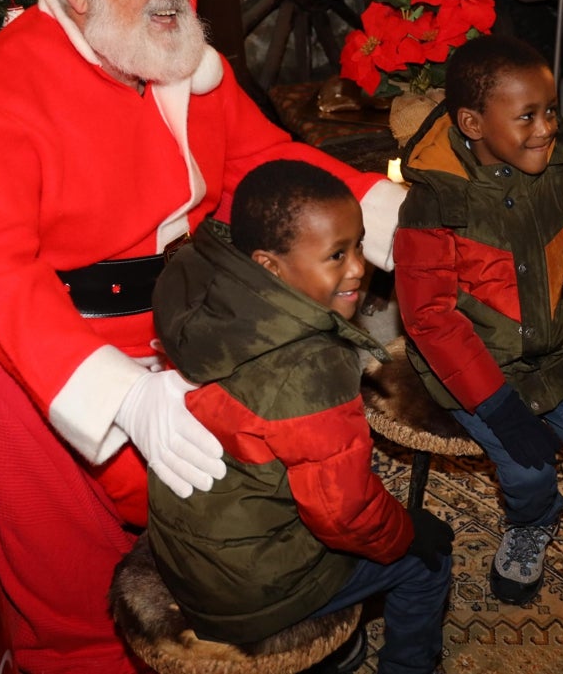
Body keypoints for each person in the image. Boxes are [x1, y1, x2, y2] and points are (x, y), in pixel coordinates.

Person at [0, 0, 408, 674]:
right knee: (77, 553)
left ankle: (268, 614)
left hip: (189, 307)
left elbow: (260, 162)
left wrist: (377, 209)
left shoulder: (179, 60)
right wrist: (119, 393)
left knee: (270, 470)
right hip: (52, 343)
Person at [392, 34, 563, 664]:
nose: (547, 127)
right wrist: (497, 407)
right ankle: (532, 522)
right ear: (472, 123)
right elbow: (430, 319)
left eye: (550, 109)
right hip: (473, 369)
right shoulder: (434, 203)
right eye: (528, 116)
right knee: (527, 469)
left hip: (556, 357)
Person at [149, 159, 454, 674]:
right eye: (336, 255)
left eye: (358, 244)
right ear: (269, 266)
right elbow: (342, 516)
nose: (359, 267)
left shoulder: (210, 282)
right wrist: (406, 531)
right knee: (428, 560)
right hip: (249, 590)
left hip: (189, 549)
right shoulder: (312, 369)